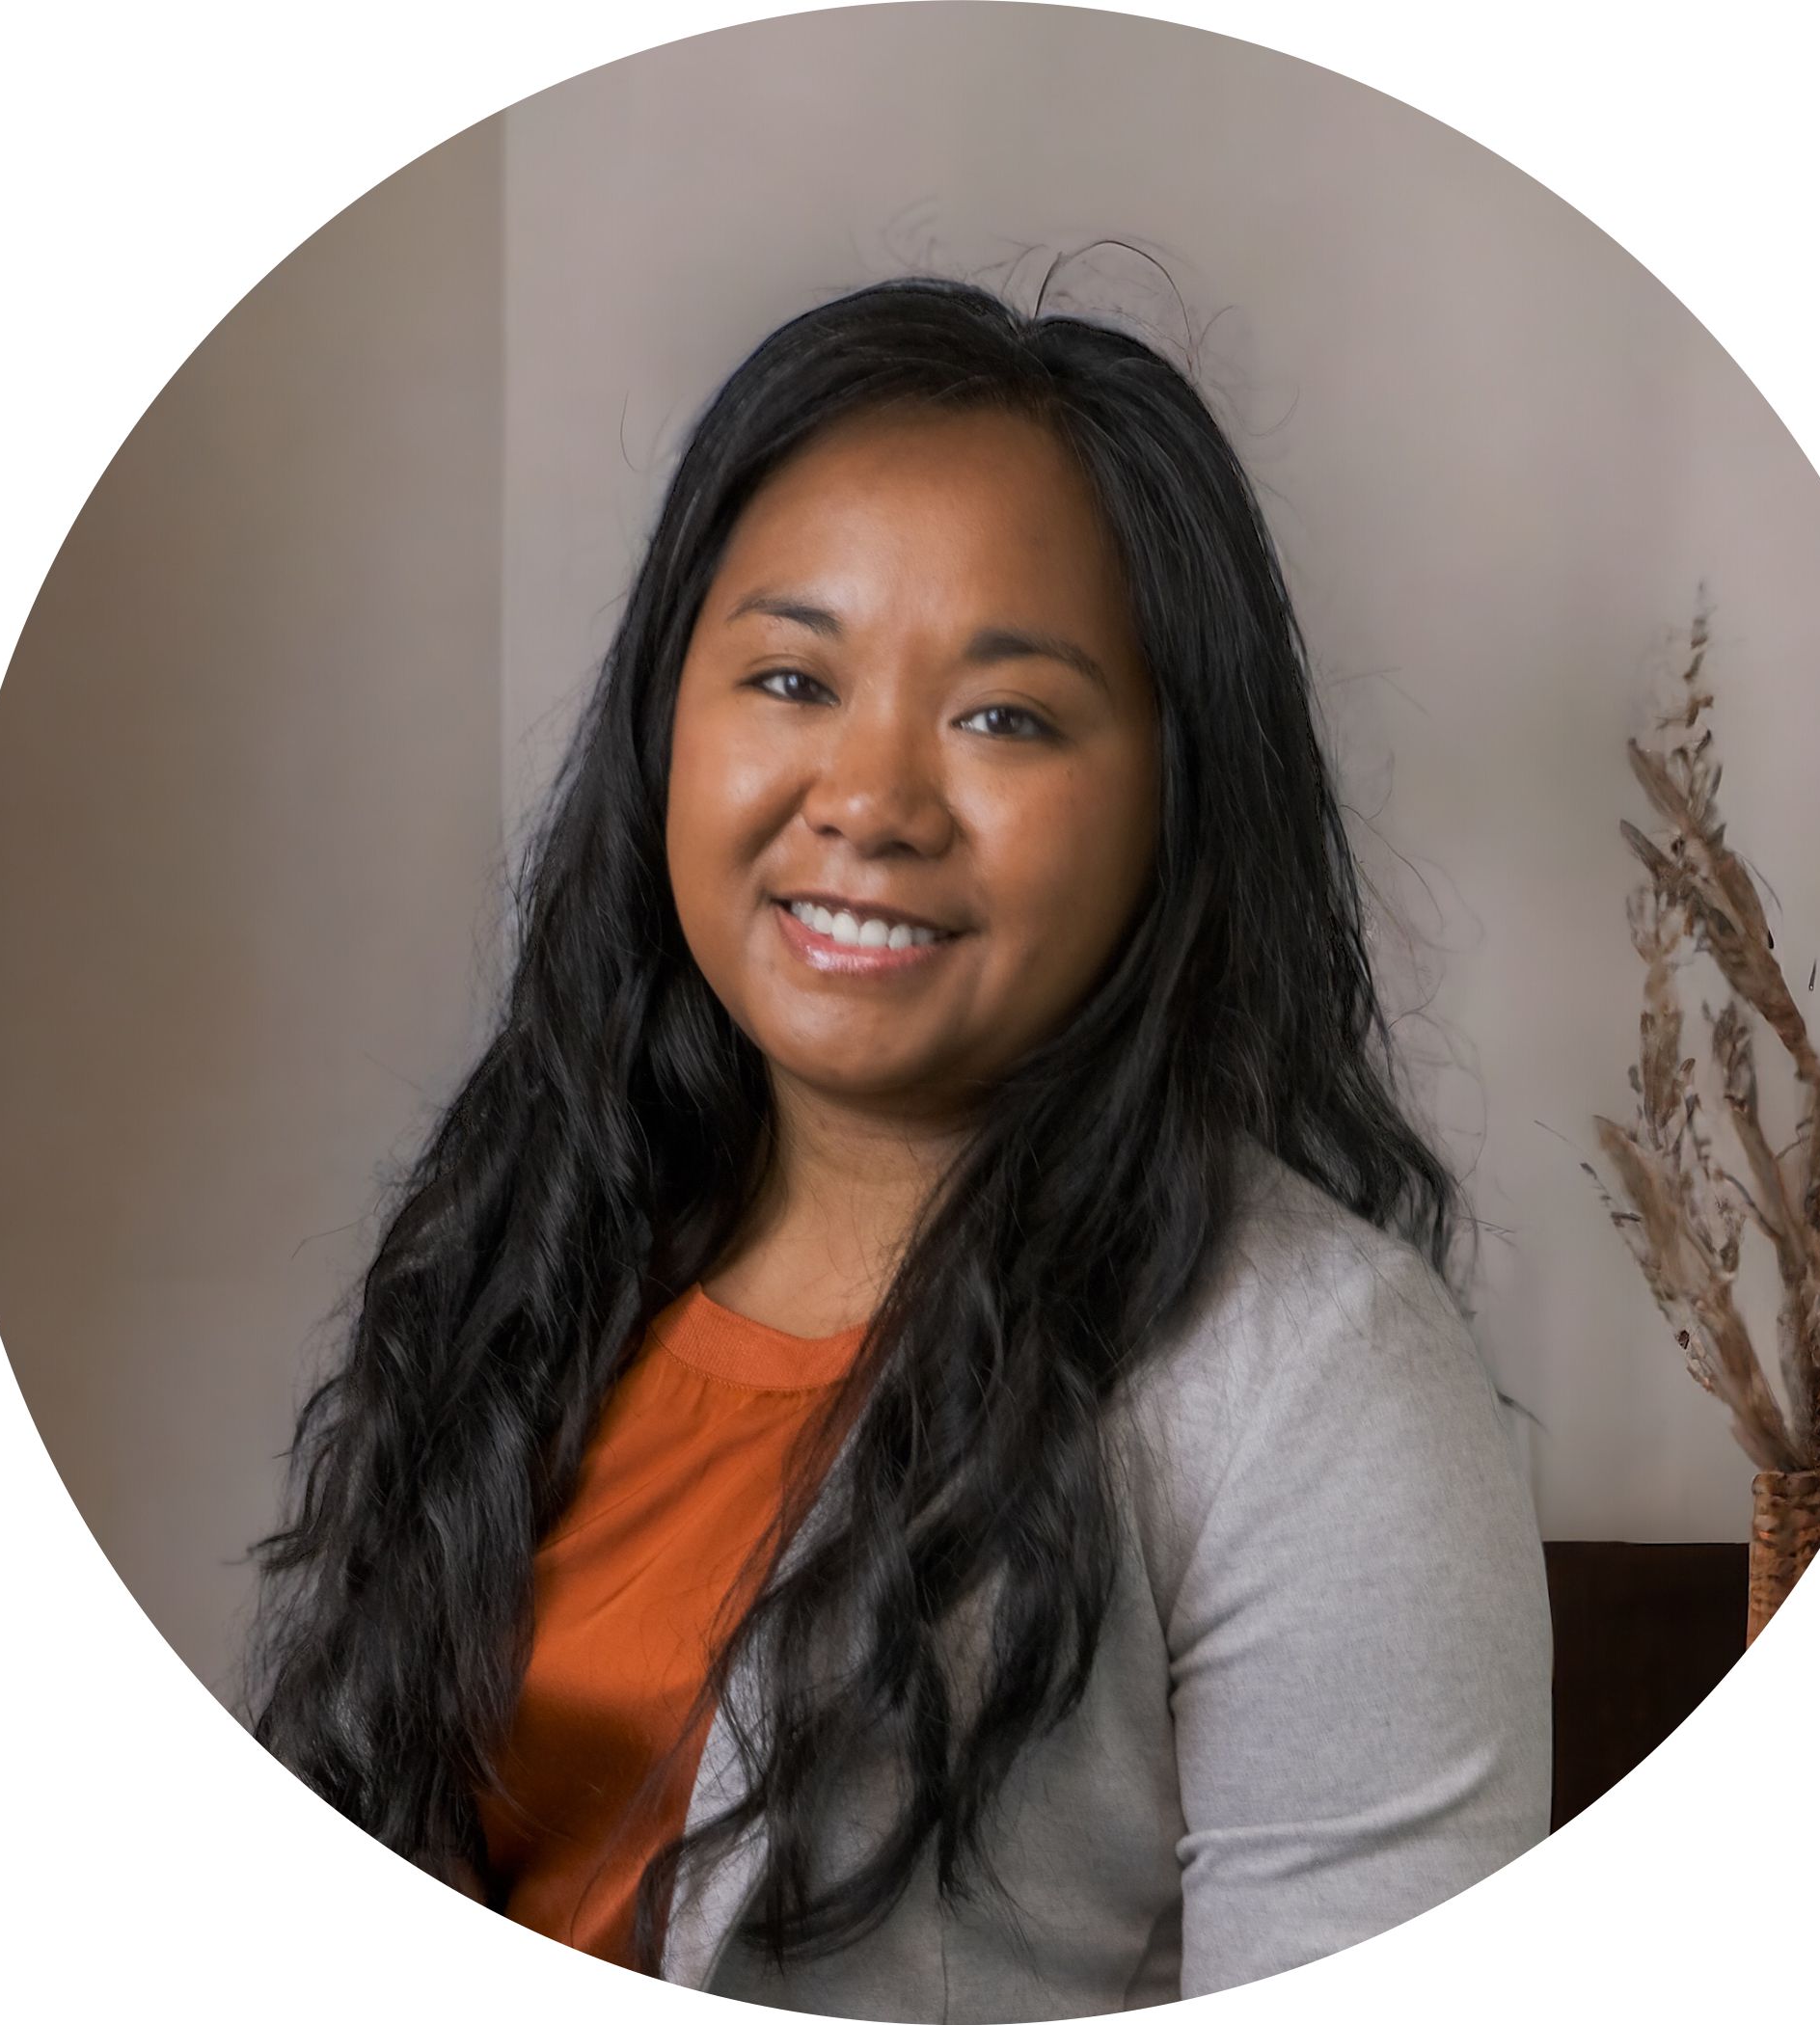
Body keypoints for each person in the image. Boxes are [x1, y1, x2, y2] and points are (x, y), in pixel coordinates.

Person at [243, 273, 1553, 2017]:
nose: (869, 800)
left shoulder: (1318, 1377)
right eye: (791, 678)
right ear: (665, 725)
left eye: (1005, 717)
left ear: (1180, 788)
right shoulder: (542, 1233)